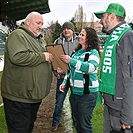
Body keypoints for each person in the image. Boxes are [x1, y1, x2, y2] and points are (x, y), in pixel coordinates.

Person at [1, 11, 54, 133]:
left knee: (28, 127)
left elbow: (44, 59)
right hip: (19, 96)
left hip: (32, 96)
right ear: (27, 22)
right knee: (20, 129)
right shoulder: (18, 35)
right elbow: (18, 57)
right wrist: (43, 57)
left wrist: (54, 66)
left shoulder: (39, 39)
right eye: (38, 23)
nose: (41, 26)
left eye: (42, 23)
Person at [94, 3, 133, 133]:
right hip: (111, 102)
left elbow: (130, 78)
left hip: (121, 108)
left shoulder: (127, 36)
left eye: (103, 17)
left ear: (111, 17)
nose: (100, 21)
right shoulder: (113, 37)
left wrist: (128, 116)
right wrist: (106, 92)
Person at [60, 27, 100, 133]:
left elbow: (90, 68)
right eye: (80, 34)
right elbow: (69, 70)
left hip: (87, 94)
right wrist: (64, 82)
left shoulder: (93, 52)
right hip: (75, 94)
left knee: (84, 126)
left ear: (89, 38)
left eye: (82, 35)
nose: (79, 36)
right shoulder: (76, 52)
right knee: (77, 123)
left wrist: (71, 60)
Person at [51, 21, 79, 131]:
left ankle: (77, 122)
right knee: (59, 101)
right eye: (64, 28)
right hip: (62, 77)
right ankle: (55, 121)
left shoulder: (78, 41)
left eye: (68, 28)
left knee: (76, 102)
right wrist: (56, 72)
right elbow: (54, 59)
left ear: (72, 30)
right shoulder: (57, 41)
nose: (66, 30)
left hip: (75, 77)